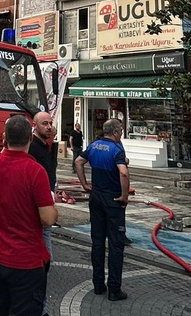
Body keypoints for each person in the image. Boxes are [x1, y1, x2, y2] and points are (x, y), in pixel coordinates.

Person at [0, 115, 58, 316]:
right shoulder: (36, 172)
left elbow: (3, 154)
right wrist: (53, 204)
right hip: (27, 261)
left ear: (4, 139)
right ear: (30, 139)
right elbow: (48, 218)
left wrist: (5, 142)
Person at [74, 118, 130, 301]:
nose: (121, 133)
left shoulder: (93, 146)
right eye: (120, 130)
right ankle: (114, 289)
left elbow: (78, 162)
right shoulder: (116, 149)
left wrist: (84, 184)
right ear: (115, 132)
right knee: (115, 244)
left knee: (97, 242)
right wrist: (124, 196)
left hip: (96, 197)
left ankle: (98, 284)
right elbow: (123, 172)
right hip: (113, 200)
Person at [27, 112, 58, 316]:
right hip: (40, 208)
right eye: (45, 124)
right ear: (34, 126)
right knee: (43, 260)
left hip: (47, 202)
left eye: (50, 123)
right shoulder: (34, 148)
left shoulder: (45, 146)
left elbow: (51, 170)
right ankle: (40, 309)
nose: (49, 127)